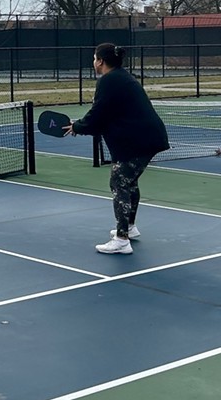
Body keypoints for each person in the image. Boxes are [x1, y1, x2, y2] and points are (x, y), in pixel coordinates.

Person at [65, 42, 169, 254]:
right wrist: (82, 126)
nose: (93, 62)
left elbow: (98, 114)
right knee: (129, 182)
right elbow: (104, 115)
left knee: (119, 182)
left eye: (95, 58)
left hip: (138, 141)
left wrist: (78, 126)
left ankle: (122, 239)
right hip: (145, 138)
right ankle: (129, 228)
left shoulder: (109, 80)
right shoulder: (122, 77)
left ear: (101, 61)